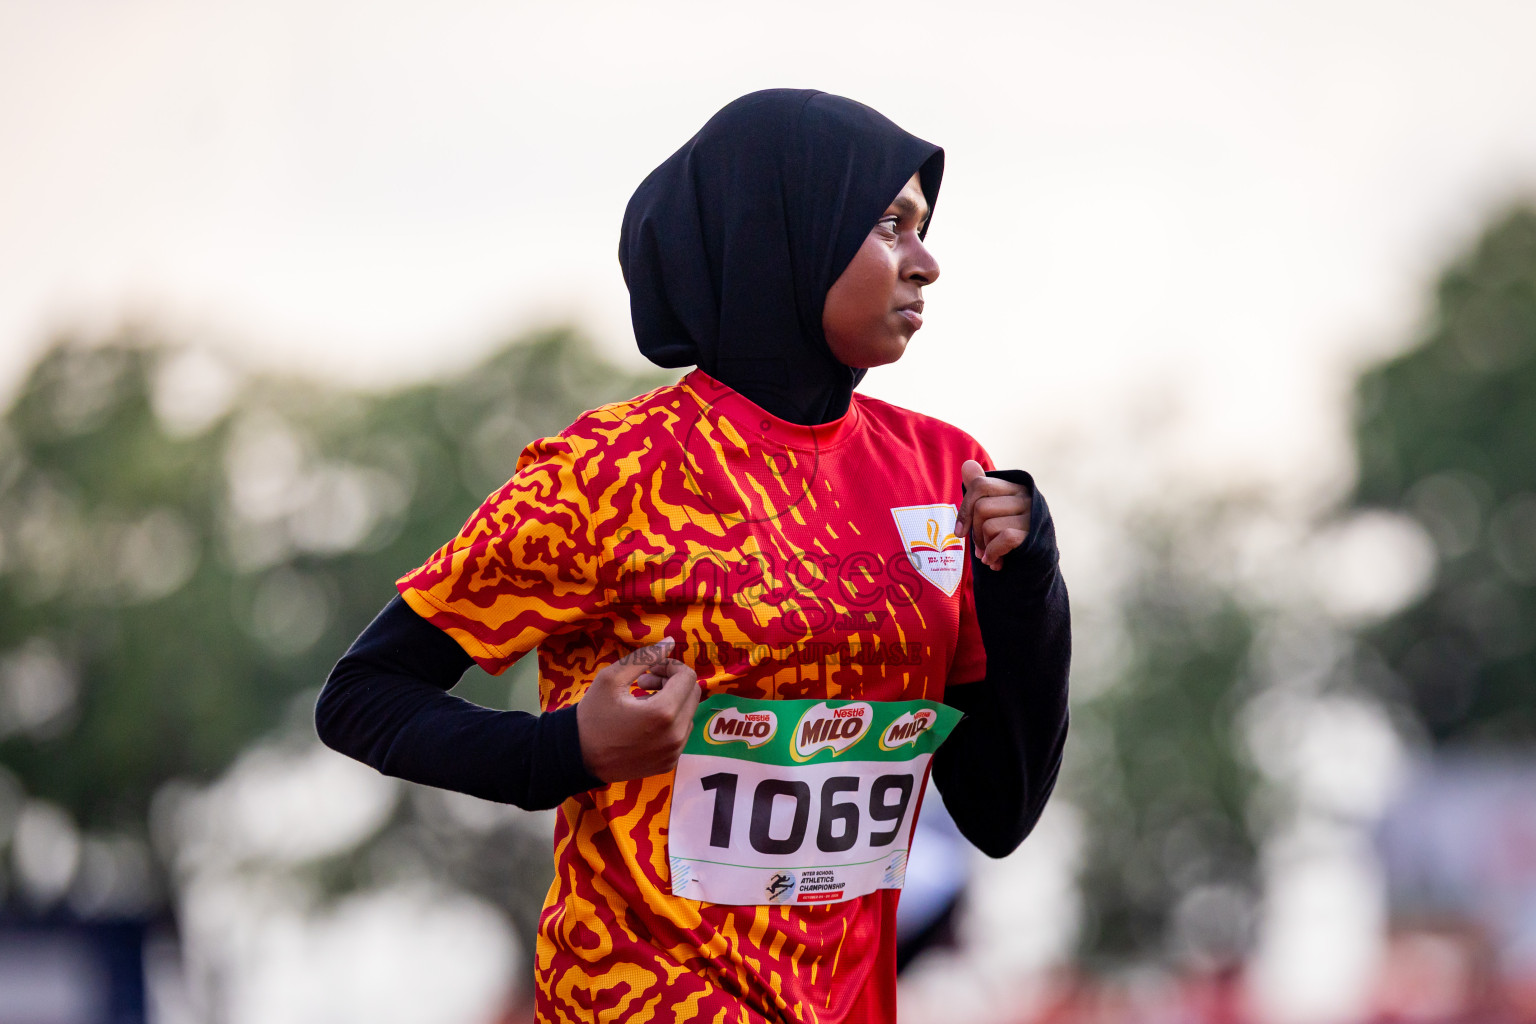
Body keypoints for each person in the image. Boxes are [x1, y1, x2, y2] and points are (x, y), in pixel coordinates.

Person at [316, 88, 1070, 1023]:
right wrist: (566, 750)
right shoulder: (608, 473)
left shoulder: (939, 472)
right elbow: (361, 698)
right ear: (785, 232)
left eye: (922, 229)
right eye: (888, 225)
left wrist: (1033, 592)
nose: (927, 262)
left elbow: (999, 810)